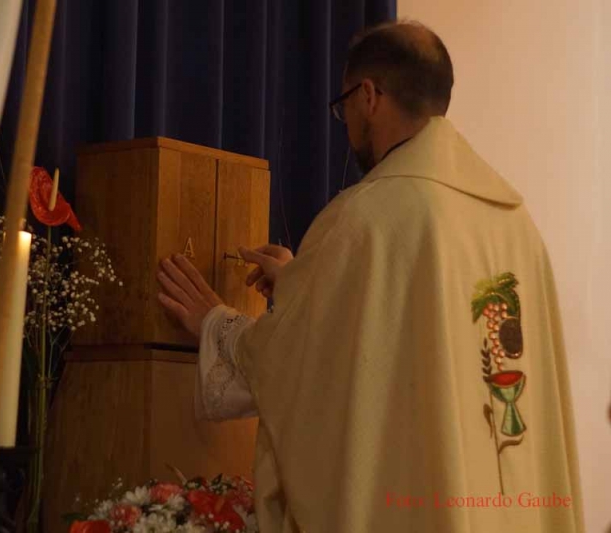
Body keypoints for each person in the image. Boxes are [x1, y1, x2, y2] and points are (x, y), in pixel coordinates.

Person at [157, 20, 585, 532]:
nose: (346, 125)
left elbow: (295, 370)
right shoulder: (516, 224)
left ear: (368, 96)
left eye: (344, 107)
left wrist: (213, 322)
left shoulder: (366, 220)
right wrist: (302, 283)